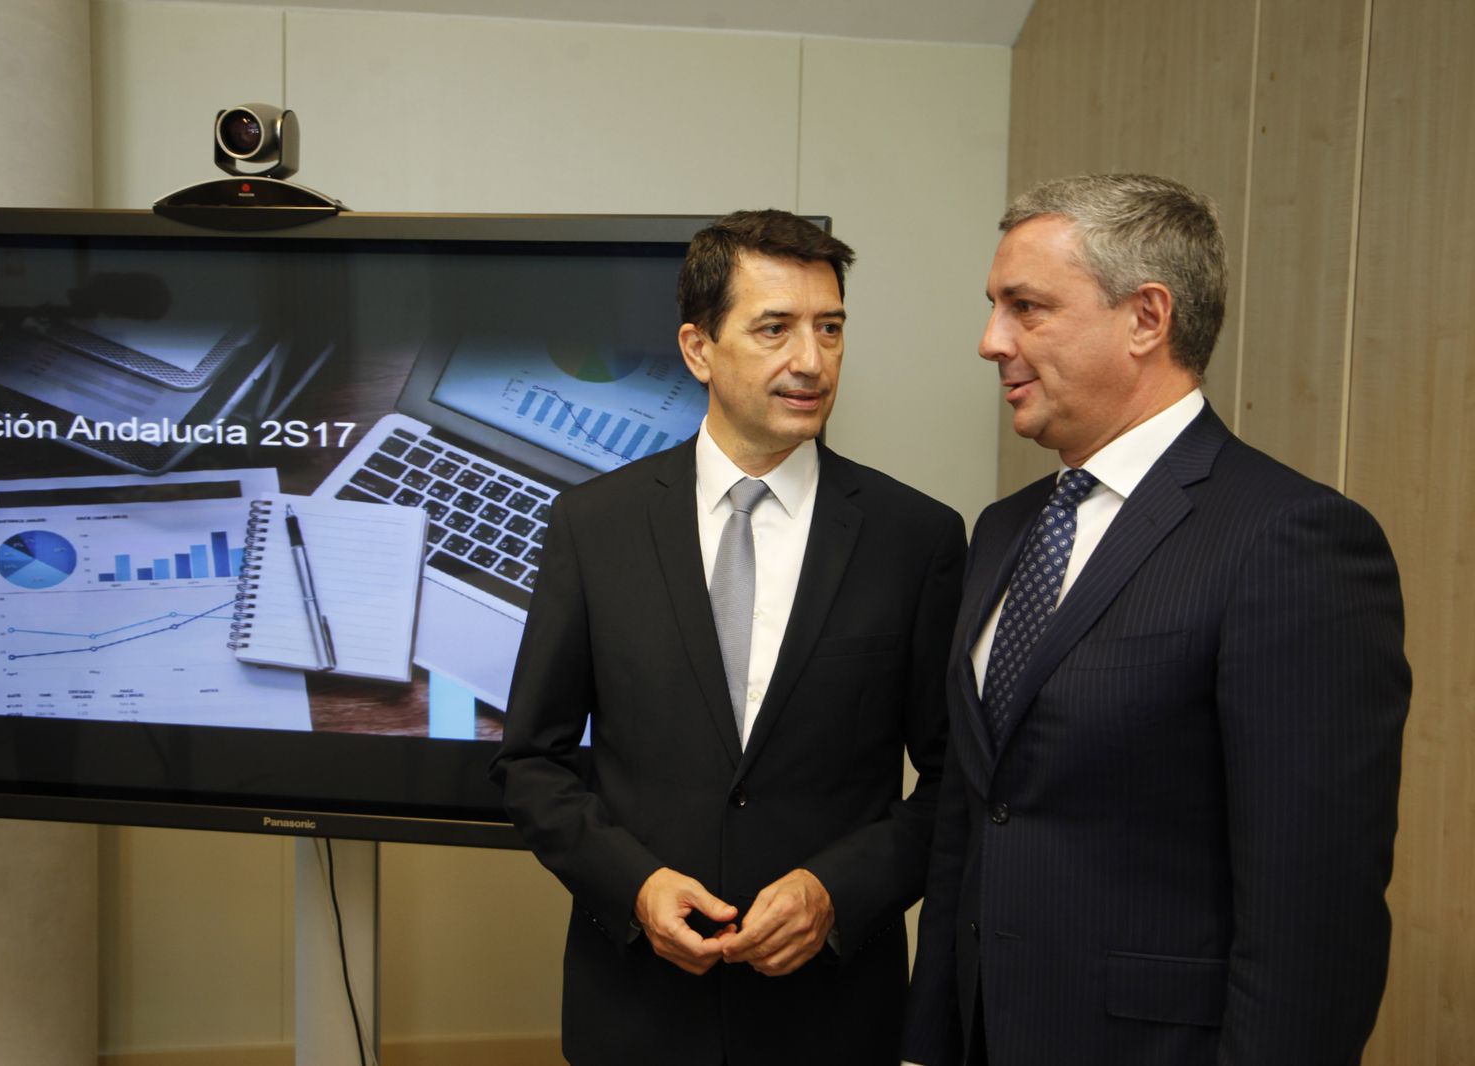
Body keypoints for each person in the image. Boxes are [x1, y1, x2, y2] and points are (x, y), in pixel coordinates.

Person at [902, 174, 1411, 1066]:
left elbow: (1313, 913)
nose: (991, 342)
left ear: (1146, 318)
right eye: (994, 307)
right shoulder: (1004, 530)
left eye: (1027, 308)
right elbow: (971, 820)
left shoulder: (1290, 540)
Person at [491, 208, 966, 1066]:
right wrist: (633, 888)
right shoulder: (595, 525)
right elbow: (532, 761)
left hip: (830, 1013)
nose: (812, 361)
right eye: (775, 329)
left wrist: (838, 891)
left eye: (830, 328)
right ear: (698, 348)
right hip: (636, 1009)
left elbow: (953, 783)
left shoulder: (917, 538)